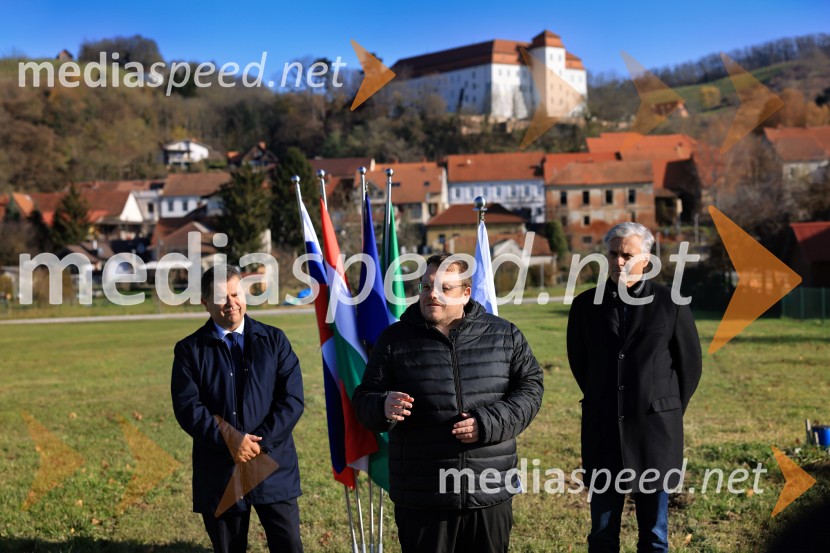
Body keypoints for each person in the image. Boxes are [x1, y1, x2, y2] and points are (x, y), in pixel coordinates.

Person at [353, 253, 544, 553]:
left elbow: (531, 389)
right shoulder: (393, 340)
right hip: (423, 497)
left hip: (488, 492)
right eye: (426, 287)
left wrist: (487, 424)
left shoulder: (504, 335)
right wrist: (382, 406)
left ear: (466, 293)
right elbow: (364, 400)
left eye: (444, 288)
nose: (433, 295)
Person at [567, 222, 702, 553]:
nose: (618, 262)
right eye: (612, 254)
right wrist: (608, 399)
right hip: (604, 431)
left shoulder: (671, 303)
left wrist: (660, 406)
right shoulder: (586, 306)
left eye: (627, 255)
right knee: (601, 534)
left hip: (655, 433)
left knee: (655, 536)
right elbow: (580, 363)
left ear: (647, 259)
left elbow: (690, 366)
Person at [171, 265, 304, 553]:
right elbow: (187, 408)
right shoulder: (189, 350)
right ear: (205, 302)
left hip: (272, 465)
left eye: (236, 293)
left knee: (289, 545)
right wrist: (232, 441)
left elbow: (291, 400)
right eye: (221, 297)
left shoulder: (275, 340)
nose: (231, 303)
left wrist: (259, 444)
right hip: (220, 471)